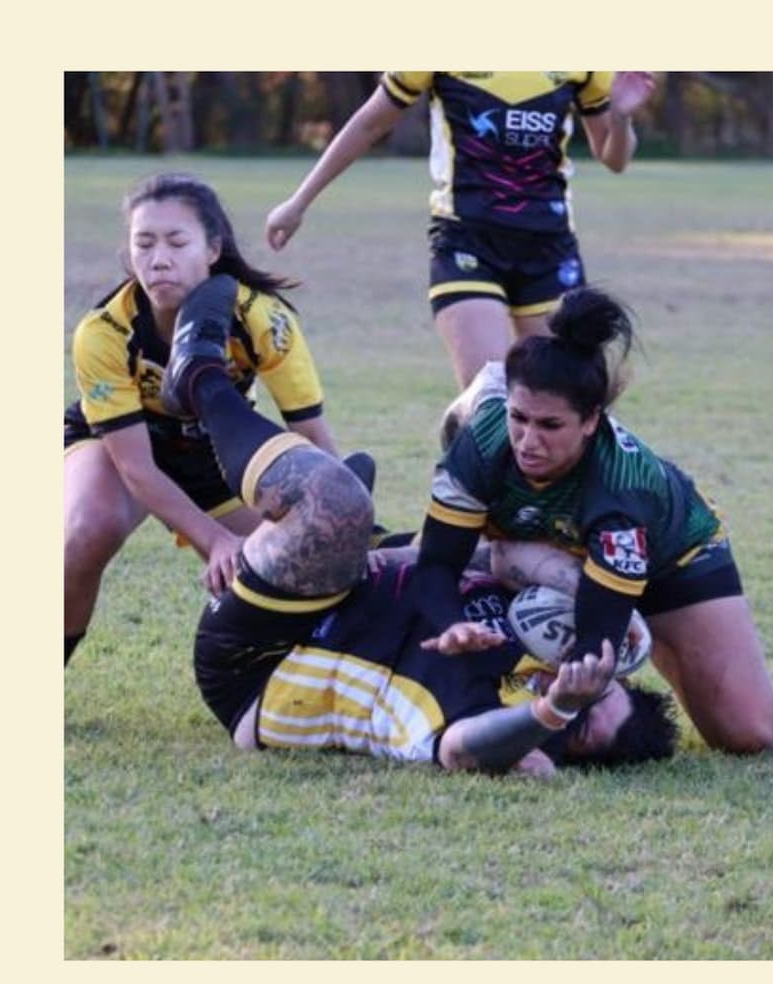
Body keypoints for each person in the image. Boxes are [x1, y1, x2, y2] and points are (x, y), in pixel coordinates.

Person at [160, 273, 678, 776]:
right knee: (479, 540)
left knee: (333, 501)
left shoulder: (502, 723)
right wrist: (580, 597)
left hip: (264, 657)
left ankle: (200, 379)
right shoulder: (545, 640)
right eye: (599, 690)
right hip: (354, 590)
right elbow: (499, 558)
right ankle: (353, 538)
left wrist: (554, 712)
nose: (575, 684)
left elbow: (460, 752)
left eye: (581, 724)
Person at [415, 286, 773, 753]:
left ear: (591, 421)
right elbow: (435, 563)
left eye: (550, 425)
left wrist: (575, 679)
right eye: (519, 418)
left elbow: (598, 636)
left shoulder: (622, 489)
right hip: (549, 544)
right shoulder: (485, 439)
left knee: (746, 731)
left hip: (670, 557)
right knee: (425, 558)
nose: (529, 440)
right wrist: (453, 625)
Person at [65, 172, 345, 667]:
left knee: (289, 561)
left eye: (177, 242)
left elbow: (311, 436)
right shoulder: (103, 332)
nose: (159, 259)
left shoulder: (263, 318)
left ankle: (293, 680)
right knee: (91, 527)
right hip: (118, 447)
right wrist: (214, 539)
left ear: (213, 248)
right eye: (144, 244)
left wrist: (340, 522)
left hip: (208, 449)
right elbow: (137, 467)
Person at [264, 71, 658, 388]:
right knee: (489, 397)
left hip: (549, 247)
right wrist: (299, 202)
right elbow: (369, 124)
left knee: (562, 394)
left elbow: (615, 159)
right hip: (467, 240)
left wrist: (621, 117)